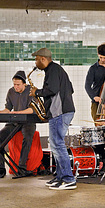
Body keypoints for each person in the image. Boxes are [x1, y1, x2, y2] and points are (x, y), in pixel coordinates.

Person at [29, 48, 77, 190]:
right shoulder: (56, 70)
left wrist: (37, 92)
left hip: (59, 113)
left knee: (57, 144)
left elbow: (53, 89)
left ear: (43, 59)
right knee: (56, 145)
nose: (35, 62)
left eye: (37, 59)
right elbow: (70, 89)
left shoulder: (53, 70)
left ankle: (68, 179)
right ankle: (60, 177)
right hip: (63, 111)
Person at [0, 70, 36, 178]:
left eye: (18, 85)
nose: (16, 87)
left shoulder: (31, 91)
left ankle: (21, 168)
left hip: (28, 121)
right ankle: (0, 168)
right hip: (14, 122)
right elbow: (8, 109)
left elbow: (32, 110)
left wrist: (17, 112)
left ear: (24, 84)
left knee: (27, 138)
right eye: (14, 84)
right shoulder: (11, 92)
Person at [85, 43, 105, 121]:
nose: (103, 60)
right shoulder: (93, 69)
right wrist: (94, 96)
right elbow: (87, 85)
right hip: (97, 102)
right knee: (98, 124)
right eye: (101, 57)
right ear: (98, 55)